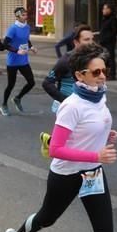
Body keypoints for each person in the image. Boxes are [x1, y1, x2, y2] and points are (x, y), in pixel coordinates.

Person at [4, 43, 117, 232]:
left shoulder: (99, 96)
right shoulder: (71, 106)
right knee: (47, 218)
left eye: (105, 70)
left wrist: (107, 136)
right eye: (96, 72)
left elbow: (92, 129)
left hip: (93, 174)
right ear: (80, 76)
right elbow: (57, 149)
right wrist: (96, 156)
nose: (103, 76)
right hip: (67, 174)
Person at [40, 25, 96, 157]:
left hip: (85, 107)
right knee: (69, 147)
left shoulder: (93, 59)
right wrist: (67, 102)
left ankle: (50, 141)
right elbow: (47, 83)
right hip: (67, 107)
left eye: (92, 39)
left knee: (78, 142)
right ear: (76, 42)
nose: (91, 43)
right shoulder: (66, 60)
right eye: (86, 40)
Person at [0, 7, 37, 116]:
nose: (26, 16)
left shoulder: (27, 27)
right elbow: (5, 44)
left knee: (31, 82)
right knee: (11, 85)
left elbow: (26, 39)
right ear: (17, 16)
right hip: (13, 62)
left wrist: (32, 47)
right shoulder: (13, 29)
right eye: (23, 15)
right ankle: (4, 105)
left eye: (26, 14)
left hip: (24, 60)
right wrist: (17, 51)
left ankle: (17, 98)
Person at [99, 4, 117, 80]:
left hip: (109, 43)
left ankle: (112, 75)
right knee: (104, 58)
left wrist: (106, 39)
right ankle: (106, 73)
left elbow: (115, 31)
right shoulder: (104, 19)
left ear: (110, 9)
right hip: (103, 42)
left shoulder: (113, 19)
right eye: (103, 8)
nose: (103, 10)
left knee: (110, 58)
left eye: (105, 8)